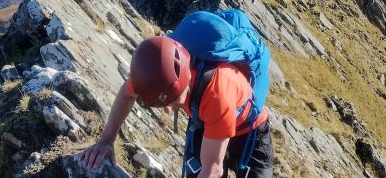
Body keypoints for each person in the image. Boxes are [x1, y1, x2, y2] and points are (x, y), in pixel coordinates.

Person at [79, 36, 274, 178]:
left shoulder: (217, 92)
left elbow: (213, 170)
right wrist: (106, 140)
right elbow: (127, 93)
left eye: (168, 102)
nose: (165, 110)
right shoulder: (157, 68)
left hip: (249, 132)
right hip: (205, 120)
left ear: (181, 86)